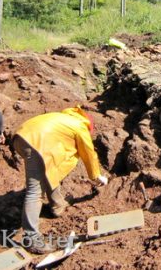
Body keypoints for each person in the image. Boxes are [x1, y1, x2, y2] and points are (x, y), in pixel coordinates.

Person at [13, 107, 108, 254]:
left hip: (21, 137)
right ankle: (31, 239)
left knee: (49, 170)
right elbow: (89, 153)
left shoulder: (63, 118)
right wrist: (96, 176)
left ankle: (57, 205)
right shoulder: (80, 127)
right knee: (35, 192)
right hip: (36, 143)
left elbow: (52, 169)